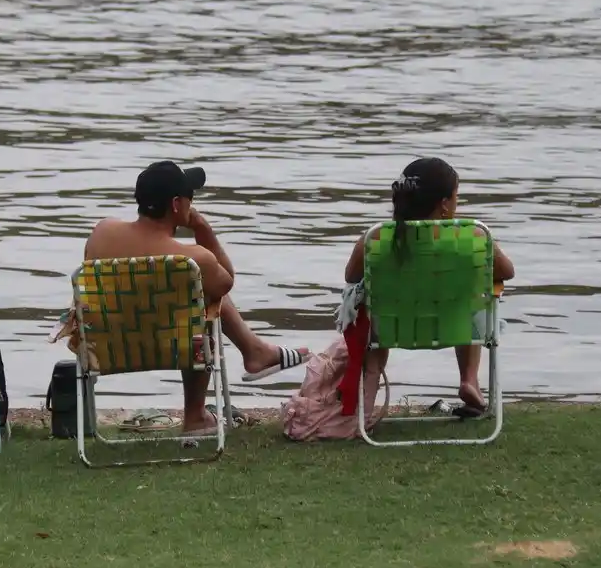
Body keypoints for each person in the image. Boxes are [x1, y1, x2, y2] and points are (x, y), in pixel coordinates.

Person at [75, 161, 308, 434]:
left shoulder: (102, 232)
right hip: (176, 348)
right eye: (190, 198)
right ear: (176, 204)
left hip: (107, 349)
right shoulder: (193, 260)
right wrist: (202, 228)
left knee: (192, 288)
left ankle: (255, 351)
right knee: (207, 295)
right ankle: (197, 413)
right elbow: (226, 281)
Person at [342, 157, 514, 416]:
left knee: (368, 304)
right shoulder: (473, 235)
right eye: (456, 196)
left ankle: (369, 392)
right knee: (474, 297)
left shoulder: (375, 237)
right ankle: (469, 380)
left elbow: (351, 276)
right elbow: (507, 272)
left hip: (390, 329)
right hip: (455, 326)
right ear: (444, 204)